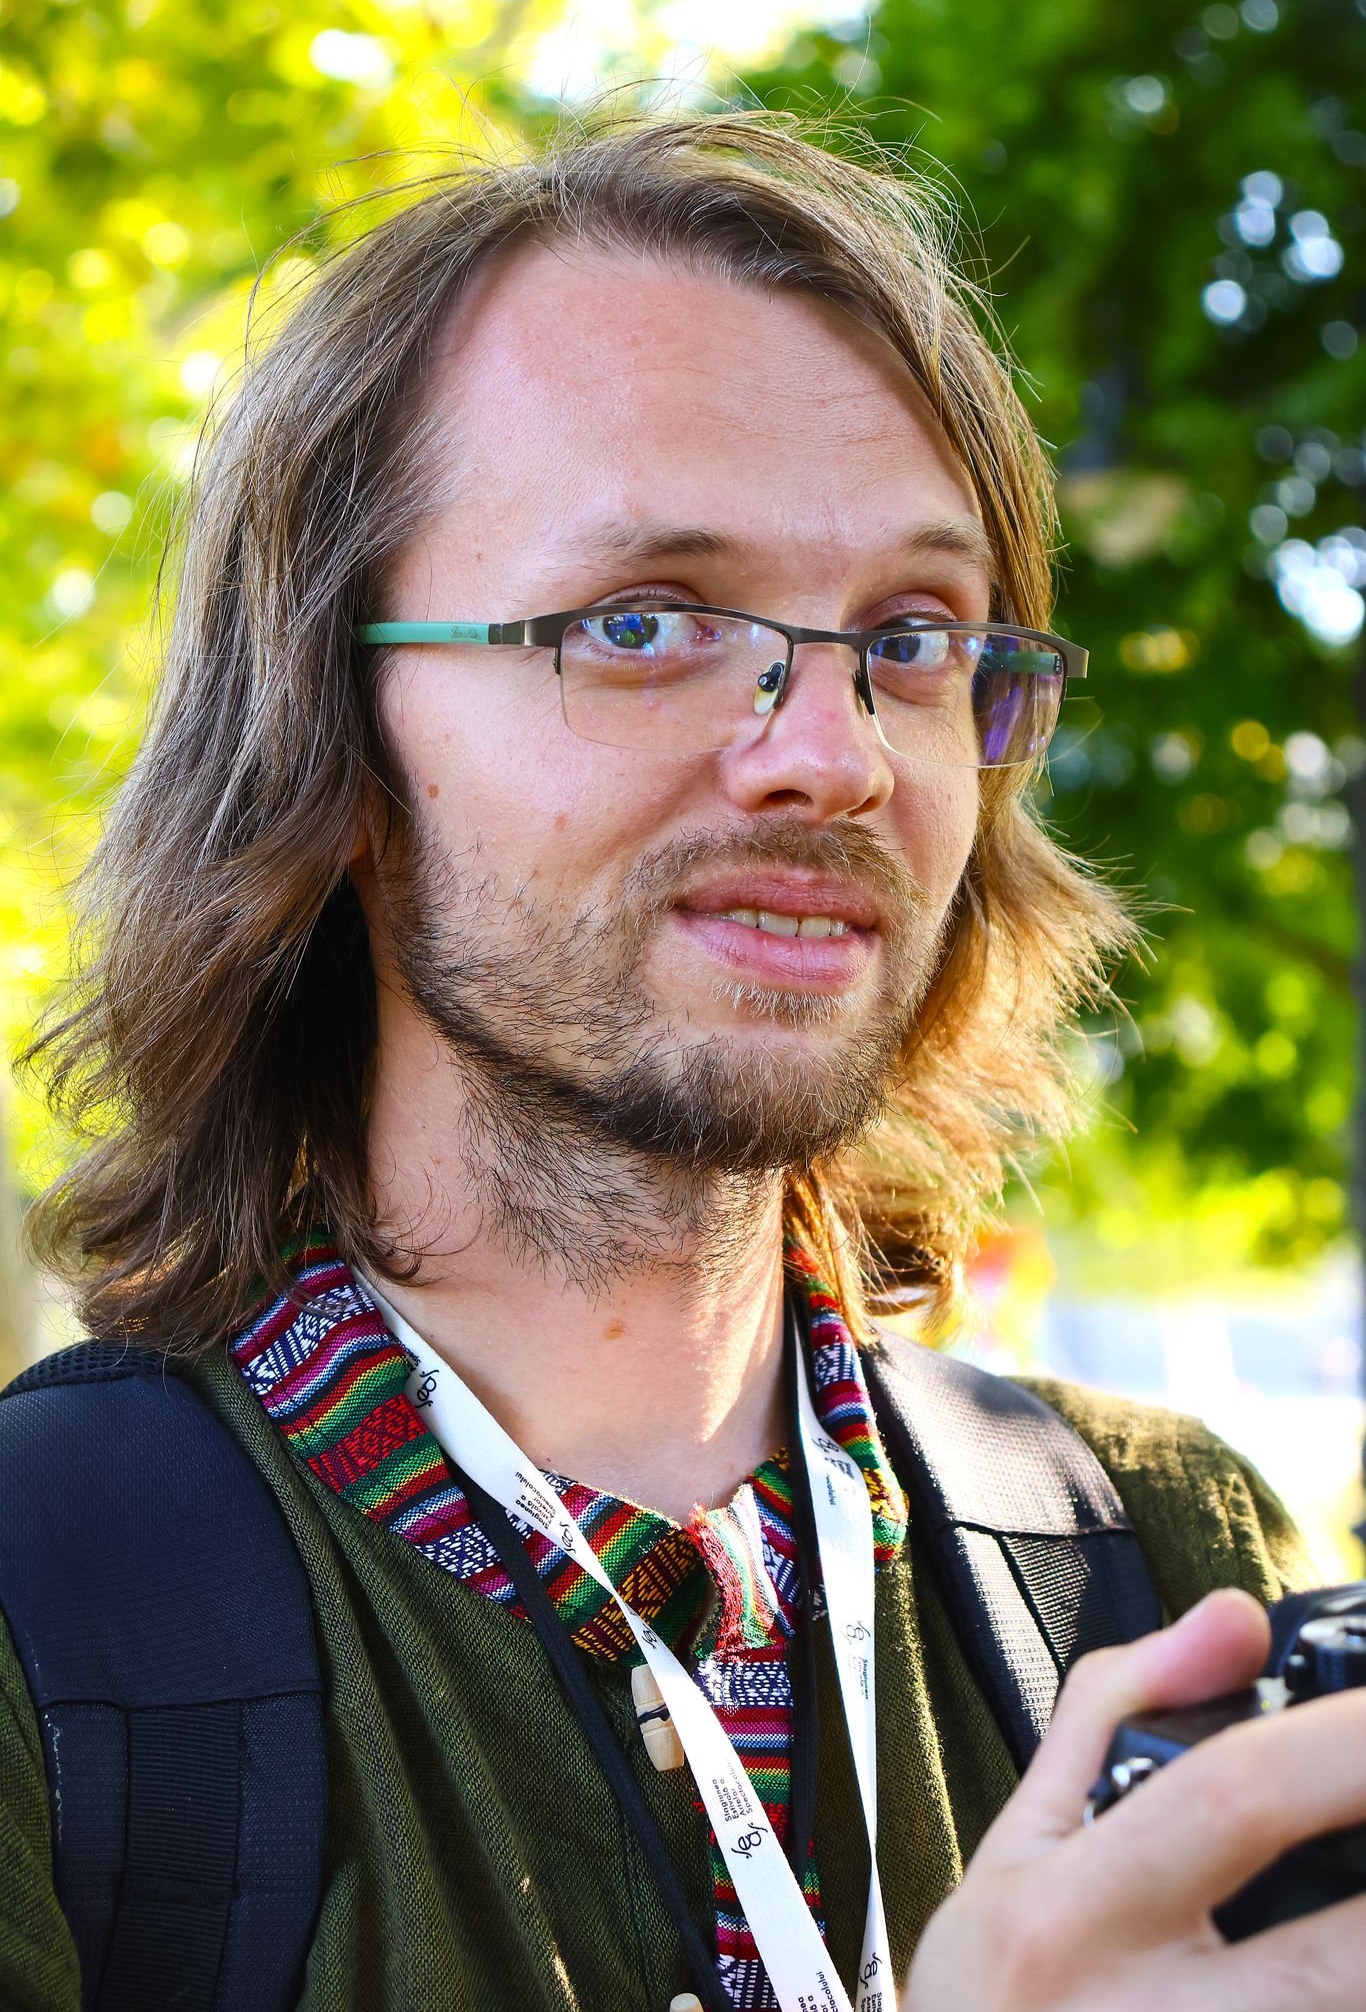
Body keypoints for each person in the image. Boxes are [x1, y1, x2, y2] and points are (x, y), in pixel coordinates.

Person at [2, 108, 1362, 2012]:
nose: (835, 753)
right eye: (643, 623)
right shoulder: (39, 1621)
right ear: (334, 752)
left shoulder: (1150, 1565)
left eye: (913, 635)